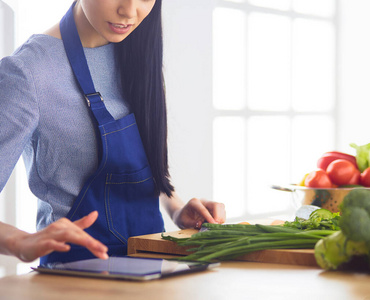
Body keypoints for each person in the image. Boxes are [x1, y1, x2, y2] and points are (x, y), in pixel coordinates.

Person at [0, 0, 226, 264]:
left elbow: (140, 162)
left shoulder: (136, 48)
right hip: (74, 279)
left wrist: (176, 209)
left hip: (154, 274)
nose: (129, 12)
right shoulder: (27, 72)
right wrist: (20, 241)